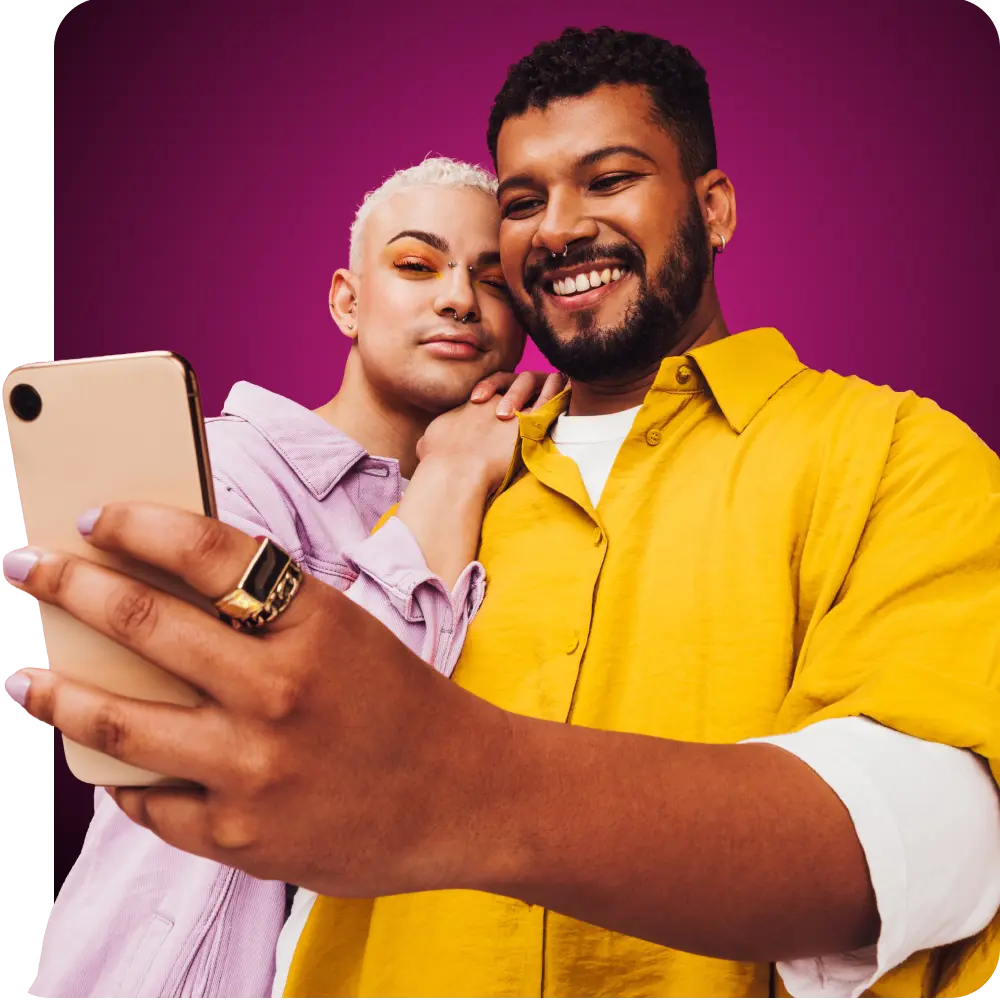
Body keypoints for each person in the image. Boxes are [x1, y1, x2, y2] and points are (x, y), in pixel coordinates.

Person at [8, 28, 999, 1000]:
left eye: (608, 180)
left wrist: (451, 780)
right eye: (522, 201)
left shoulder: (896, 454)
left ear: (715, 206)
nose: (557, 227)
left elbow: (933, 842)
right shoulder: (424, 487)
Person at [22, 155, 561, 999]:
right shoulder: (221, 472)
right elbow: (328, 737)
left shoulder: (520, 512)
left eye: (493, 281)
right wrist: (451, 477)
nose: (459, 297)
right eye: (417, 265)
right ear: (348, 299)